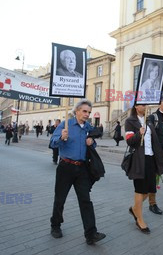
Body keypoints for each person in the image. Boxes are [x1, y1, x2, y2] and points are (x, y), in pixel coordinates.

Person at [49, 99, 106, 245]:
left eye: (89, 112)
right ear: (77, 111)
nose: (87, 114)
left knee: (85, 200)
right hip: (66, 167)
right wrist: (62, 137)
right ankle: (55, 225)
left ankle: (91, 233)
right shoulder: (65, 125)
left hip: (81, 169)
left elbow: (93, 142)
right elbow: (52, 143)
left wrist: (92, 142)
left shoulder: (88, 127)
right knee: (60, 199)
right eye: (84, 111)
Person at [125, 104, 163, 234]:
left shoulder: (149, 120)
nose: (145, 107)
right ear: (137, 106)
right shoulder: (130, 121)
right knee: (140, 189)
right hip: (139, 159)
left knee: (150, 189)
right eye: (143, 105)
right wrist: (139, 133)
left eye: (146, 104)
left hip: (150, 158)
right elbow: (129, 141)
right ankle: (140, 220)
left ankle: (134, 209)